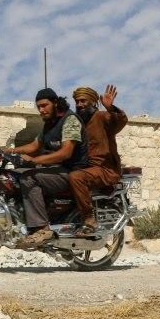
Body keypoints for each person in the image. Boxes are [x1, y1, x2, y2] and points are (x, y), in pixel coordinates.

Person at [0, 87, 88, 248]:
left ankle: (41, 228)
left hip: (73, 171)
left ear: (55, 103)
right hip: (56, 170)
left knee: (29, 178)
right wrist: (9, 150)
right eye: (38, 106)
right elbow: (34, 145)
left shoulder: (70, 120)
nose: (41, 109)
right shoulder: (49, 124)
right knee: (15, 175)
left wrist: (34, 160)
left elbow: (66, 153)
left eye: (44, 105)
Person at [68, 84, 128, 236]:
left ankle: (89, 219)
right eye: (77, 101)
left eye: (83, 101)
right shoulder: (79, 123)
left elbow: (119, 121)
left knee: (76, 177)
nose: (79, 105)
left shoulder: (101, 117)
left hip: (105, 169)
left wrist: (110, 108)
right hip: (87, 168)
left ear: (93, 102)